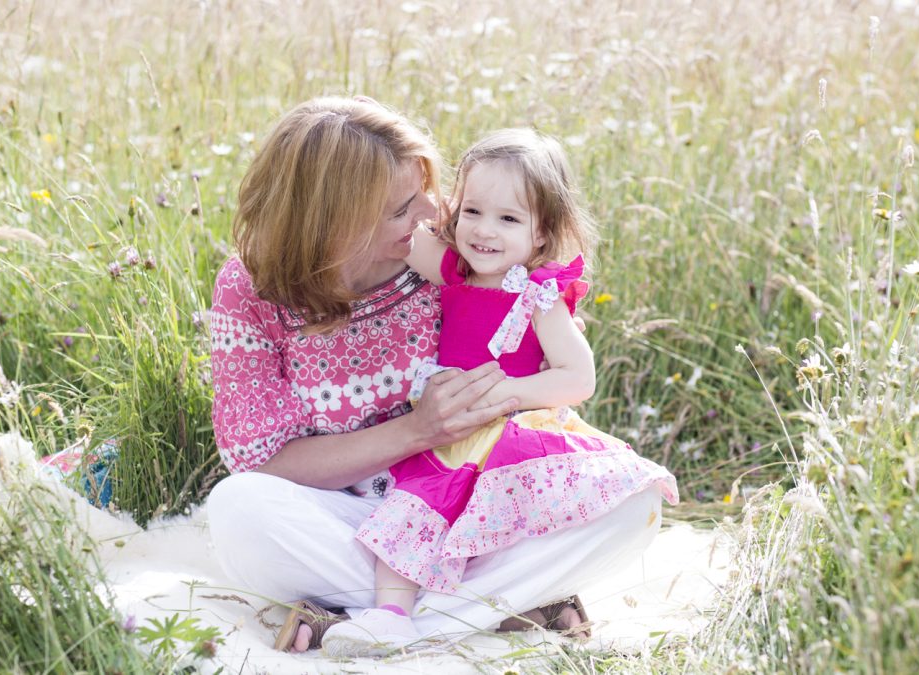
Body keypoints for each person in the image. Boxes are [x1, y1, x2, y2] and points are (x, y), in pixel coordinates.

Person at [206, 98, 669, 655]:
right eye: (403, 207)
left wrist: (532, 355)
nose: (433, 210)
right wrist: (416, 431)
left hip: (473, 504)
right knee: (239, 510)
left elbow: (536, 331)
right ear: (337, 222)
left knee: (634, 506)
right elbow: (263, 462)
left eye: (427, 187)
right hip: (349, 515)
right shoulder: (251, 289)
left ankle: (375, 619)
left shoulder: (460, 252)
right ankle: (490, 609)